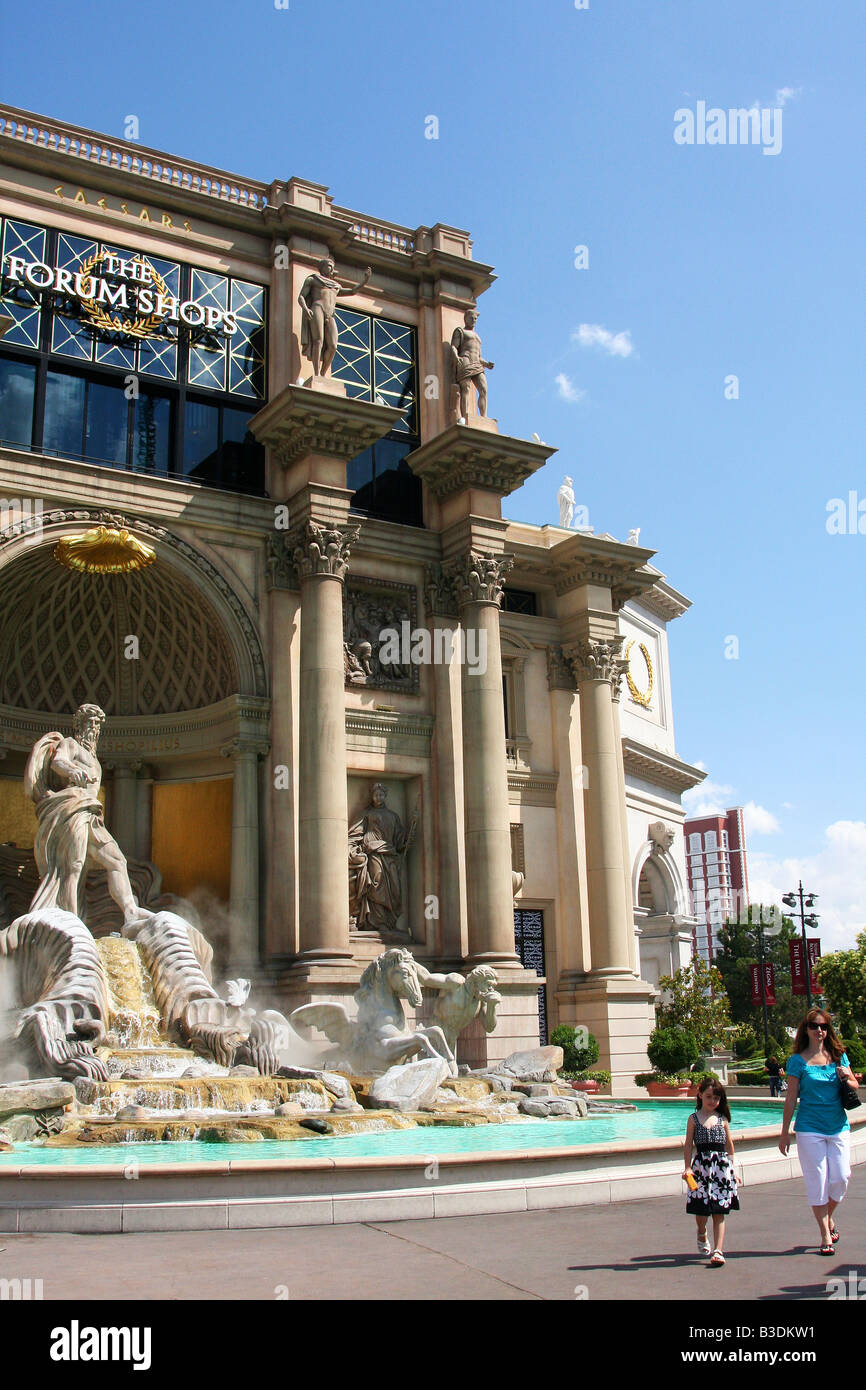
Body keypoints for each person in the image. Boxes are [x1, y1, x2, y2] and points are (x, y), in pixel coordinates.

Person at [24, 703, 141, 925]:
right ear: (79, 725)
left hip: (91, 815)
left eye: (97, 724)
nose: (94, 727)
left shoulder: (95, 760)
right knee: (73, 866)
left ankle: (131, 911)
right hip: (72, 810)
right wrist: (73, 770)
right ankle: (71, 920)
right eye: (90, 722)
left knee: (117, 860)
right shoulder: (70, 745)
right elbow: (58, 761)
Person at [779, 1007, 859, 1255]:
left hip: (837, 1126)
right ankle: (825, 1234)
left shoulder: (838, 1056)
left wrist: (848, 1076)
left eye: (824, 1026)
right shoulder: (797, 1062)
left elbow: (855, 1085)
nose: (820, 1030)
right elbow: (791, 1099)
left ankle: (828, 1218)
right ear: (806, 1029)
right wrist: (784, 1132)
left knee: (841, 1178)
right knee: (818, 1182)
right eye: (814, 1026)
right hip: (809, 1128)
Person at [682, 1077, 739, 1266]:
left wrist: (733, 1169)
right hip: (701, 1169)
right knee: (701, 1211)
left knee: (719, 1211)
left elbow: (729, 1147)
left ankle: (718, 1250)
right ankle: (701, 1232)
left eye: (716, 1097)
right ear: (700, 1095)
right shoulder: (693, 1119)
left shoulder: (722, 1120)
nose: (712, 1101)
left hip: (721, 1170)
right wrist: (688, 1167)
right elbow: (688, 1145)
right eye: (708, 1096)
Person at [297, 255, 371, 377]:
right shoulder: (313, 280)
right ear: (322, 267)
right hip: (317, 308)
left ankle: (322, 373)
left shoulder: (336, 285)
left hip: (330, 314)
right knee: (318, 341)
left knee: (333, 346)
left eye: (332, 267)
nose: (331, 269)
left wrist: (365, 281)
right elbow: (301, 297)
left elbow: (352, 291)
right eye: (329, 266)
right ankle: (316, 374)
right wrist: (306, 309)